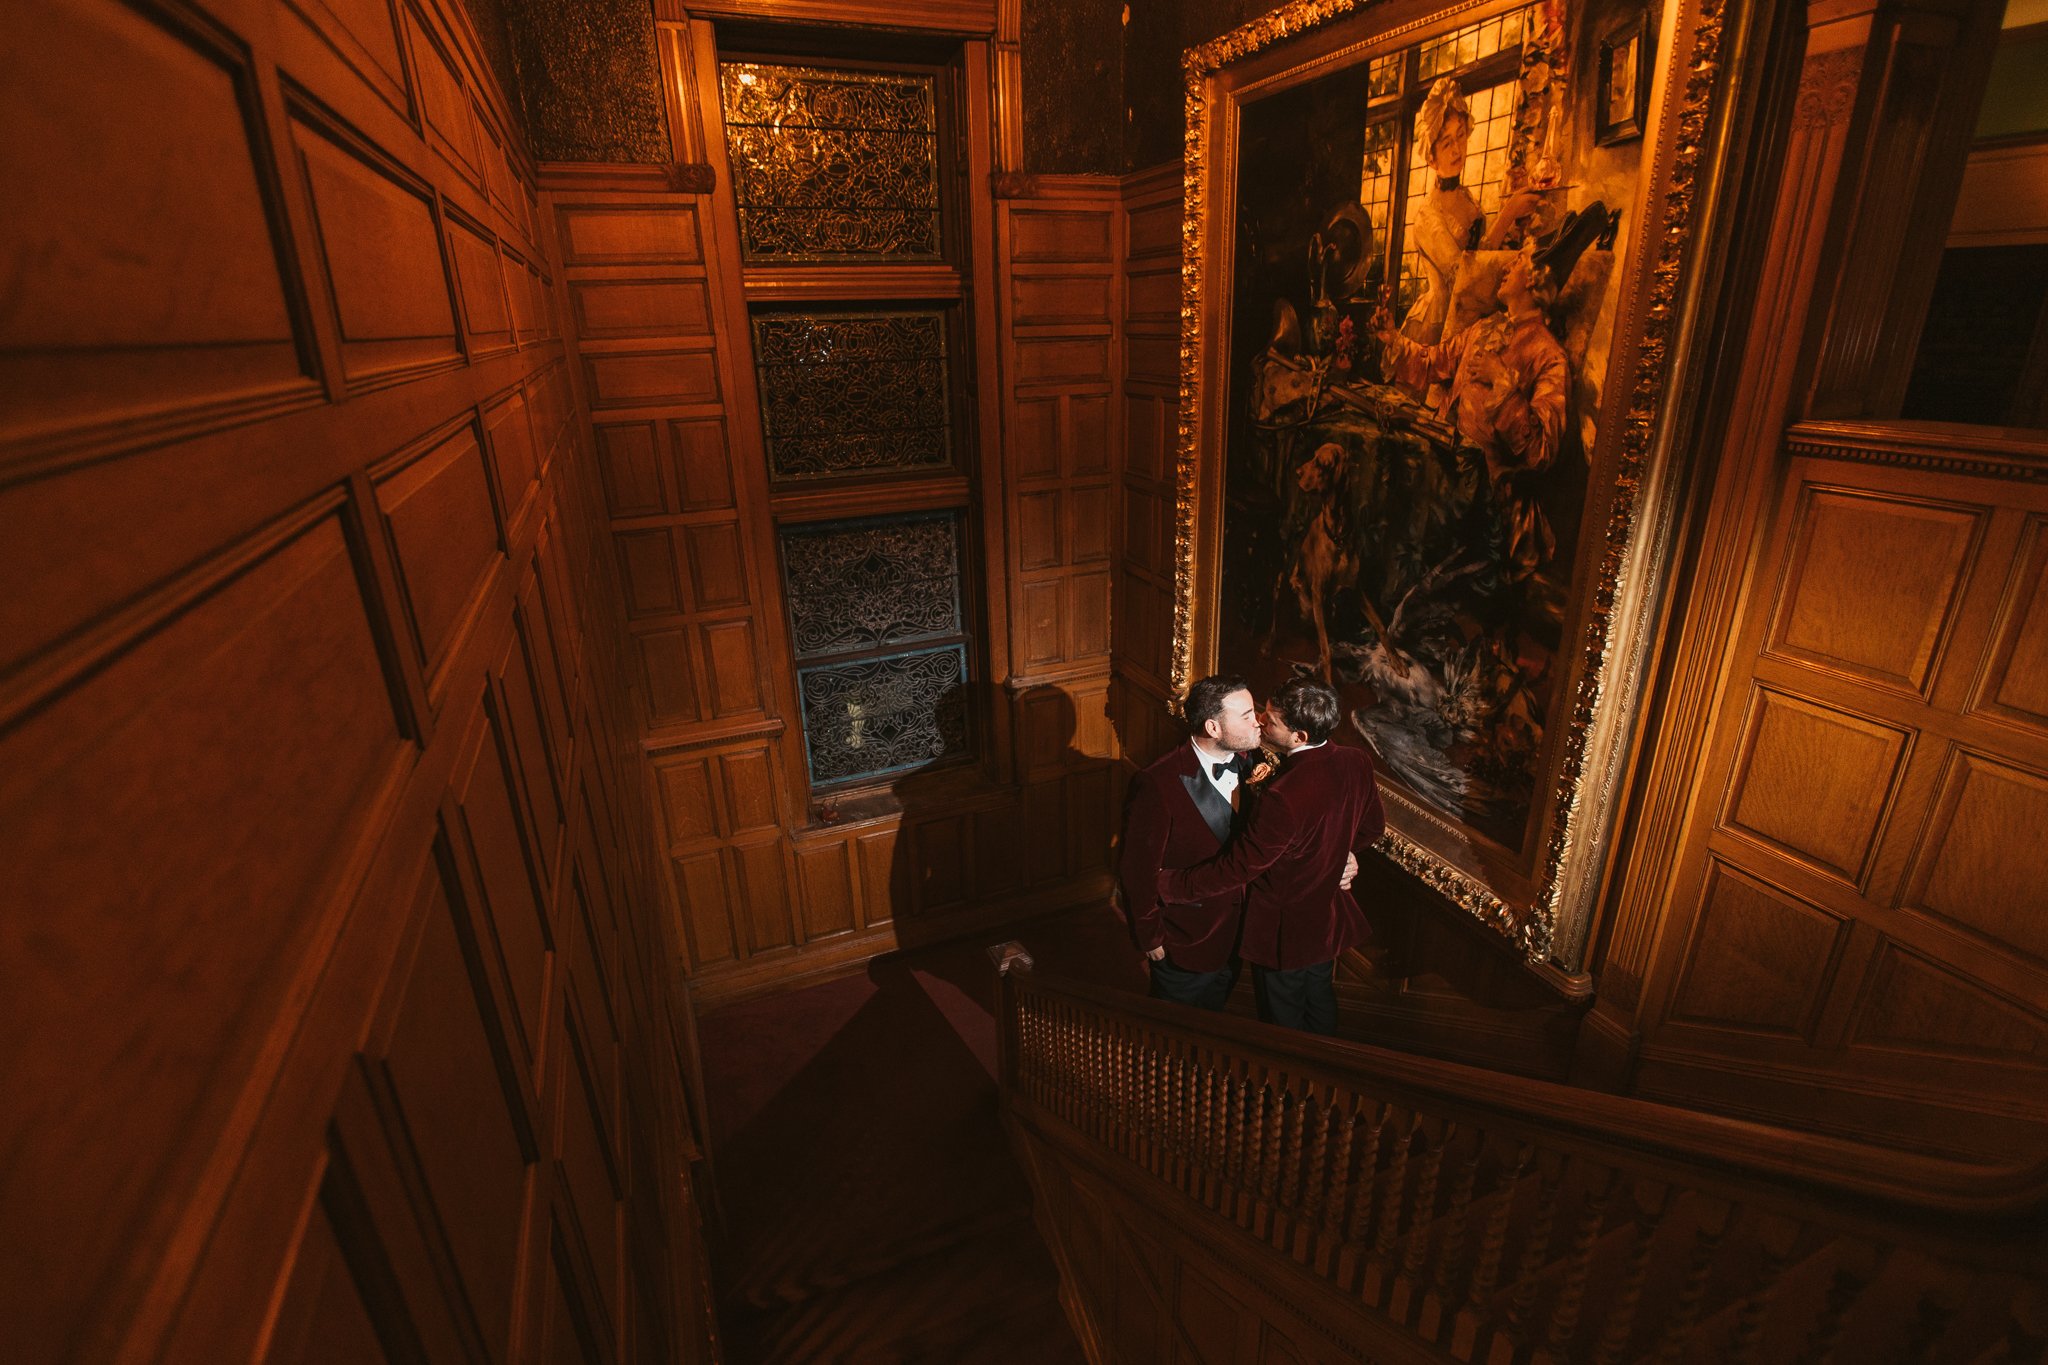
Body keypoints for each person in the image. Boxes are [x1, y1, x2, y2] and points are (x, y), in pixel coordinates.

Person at [1157, 678, 1385, 1034]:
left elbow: (1238, 868)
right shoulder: (1356, 761)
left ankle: (1290, 1086)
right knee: (1320, 999)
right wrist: (1343, 854)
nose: (1261, 721)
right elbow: (1371, 828)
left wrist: (1170, 885)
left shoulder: (1284, 796)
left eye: (1271, 720)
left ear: (1300, 737)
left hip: (1284, 929)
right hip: (1326, 918)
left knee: (1284, 1022)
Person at [1116, 674, 1264, 1010]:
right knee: (1172, 1032)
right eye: (1246, 715)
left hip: (1239, 934)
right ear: (1213, 728)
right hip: (1185, 936)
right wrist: (1149, 935)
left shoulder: (1251, 761)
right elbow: (1136, 867)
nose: (1258, 722)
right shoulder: (1157, 783)